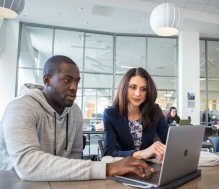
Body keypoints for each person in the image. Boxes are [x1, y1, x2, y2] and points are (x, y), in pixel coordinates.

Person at [0, 55, 154, 181]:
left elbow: (74, 156)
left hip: (57, 183)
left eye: (77, 81)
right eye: (67, 80)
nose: (74, 87)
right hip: (15, 185)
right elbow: (28, 164)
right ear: (47, 80)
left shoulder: (74, 111)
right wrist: (106, 168)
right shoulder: (21, 107)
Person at [103, 67, 169, 161]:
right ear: (125, 88)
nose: (138, 93)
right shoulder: (111, 114)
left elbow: (169, 141)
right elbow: (110, 152)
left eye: (143, 89)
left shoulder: (154, 110)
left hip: (150, 166)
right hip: (125, 168)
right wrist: (142, 154)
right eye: (133, 87)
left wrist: (163, 151)